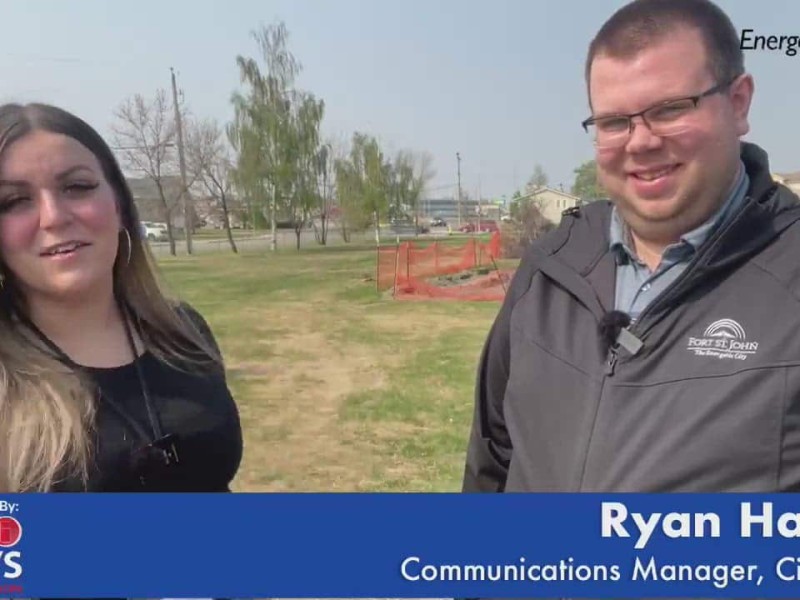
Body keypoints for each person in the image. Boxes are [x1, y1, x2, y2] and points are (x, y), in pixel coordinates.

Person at [463, 0, 800, 494]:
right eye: (614, 122)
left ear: (739, 102)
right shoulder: (553, 265)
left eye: (669, 109)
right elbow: (493, 457)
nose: (639, 142)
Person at [0, 102, 243, 493]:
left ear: (119, 204)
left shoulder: (183, 331)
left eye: (77, 187)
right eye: (13, 202)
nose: (53, 217)